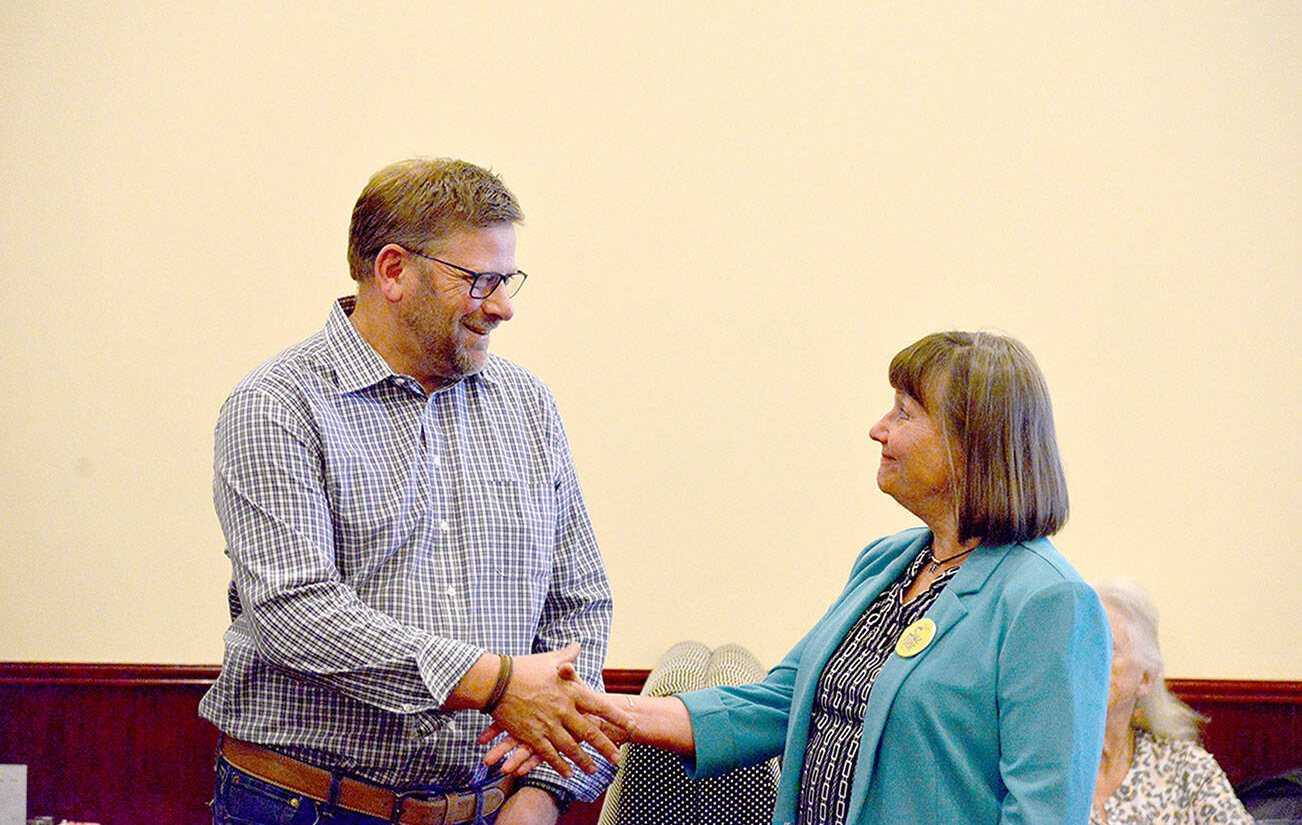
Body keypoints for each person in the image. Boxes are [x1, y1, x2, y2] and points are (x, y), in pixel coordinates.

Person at [489, 330, 1113, 824]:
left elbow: (1044, 810)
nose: (879, 428)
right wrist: (604, 709)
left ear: (969, 444)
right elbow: (774, 705)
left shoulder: (1048, 601)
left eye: (905, 413)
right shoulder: (890, 562)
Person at [201, 158, 627, 825]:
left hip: (493, 810)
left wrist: (544, 792)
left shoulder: (527, 405)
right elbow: (297, 614)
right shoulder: (276, 406)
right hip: (307, 806)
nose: (504, 306)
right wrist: (497, 684)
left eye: (507, 279)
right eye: (479, 280)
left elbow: (579, 603)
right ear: (394, 271)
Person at [1091, 578, 1252, 824]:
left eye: (1106, 647)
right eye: (1078, 645)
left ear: (1145, 678)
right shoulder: (1035, 767)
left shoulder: (1187, 770)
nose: (1085, 659)